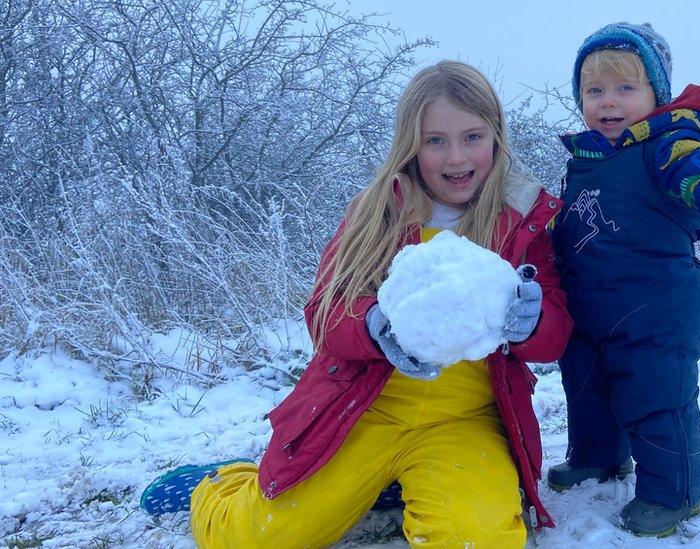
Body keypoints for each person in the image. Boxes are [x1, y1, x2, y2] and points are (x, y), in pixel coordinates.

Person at [140, 60, 573, 548]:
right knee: (253, 539)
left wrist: (532, 322)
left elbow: (556, 333)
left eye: (473, 137)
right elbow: (324, 311)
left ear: (496, 135)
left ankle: (400, 481)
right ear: (411, 143)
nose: (456, 157)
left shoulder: (523, 220)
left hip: (466, 423)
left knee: (475, 539)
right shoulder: (379, 212)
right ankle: (220, 485)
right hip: (364, 410)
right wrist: (372, 325)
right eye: (435, 141)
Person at [548, 23, 700, 537]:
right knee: (586, 388)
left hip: (656, 310)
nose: (608, 102)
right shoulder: (584, 160)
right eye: (594, 91)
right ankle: (598, 456)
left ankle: (672, 493)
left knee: (657, 398)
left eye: (624, 89)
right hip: (589, 308)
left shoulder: (667, 146)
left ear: (657, 94)